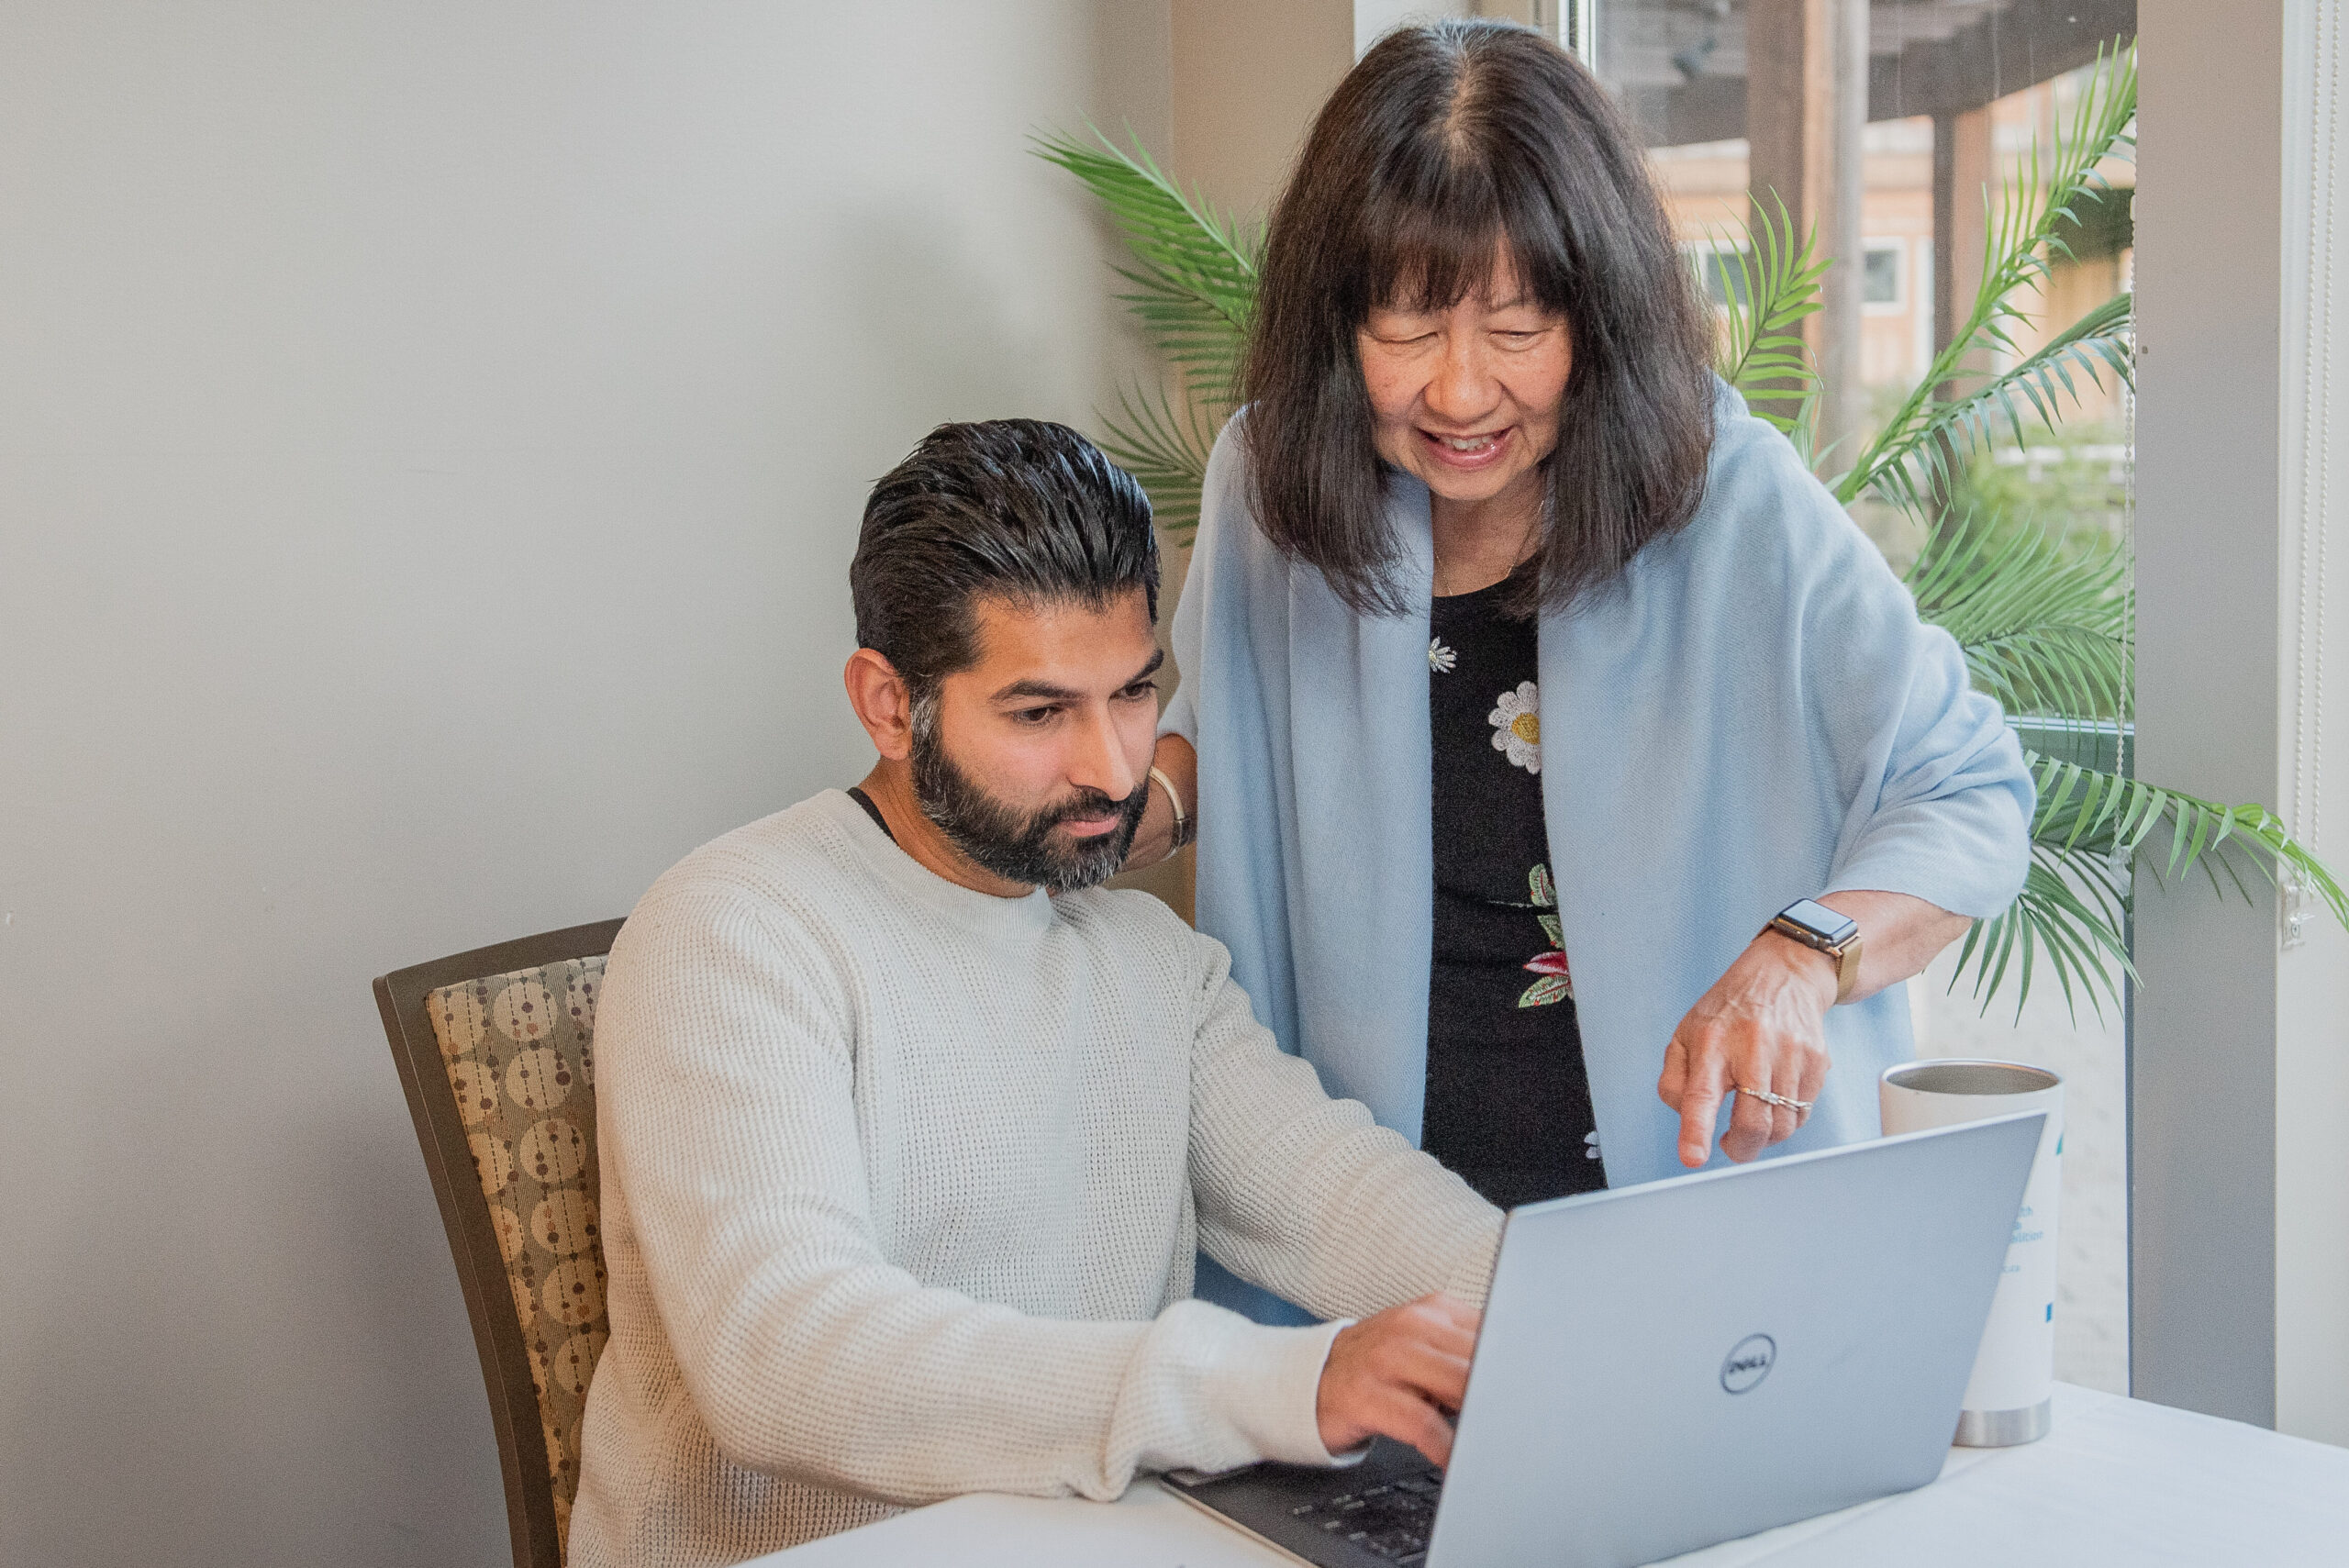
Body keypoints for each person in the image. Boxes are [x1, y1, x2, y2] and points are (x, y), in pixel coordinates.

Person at [1124, 20, 2034, 1260]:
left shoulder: (1736, 502)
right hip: (1373, 1250)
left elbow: (1969, 791)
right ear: (1334, 324)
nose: (1458, 391)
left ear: (1595, 315)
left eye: (1515, 328)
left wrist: (1801, 957)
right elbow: (1225, 726)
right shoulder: (1267, 483)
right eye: (1406, 327)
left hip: (1693, 1231)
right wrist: (1126, 805)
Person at [567, 419, 1502, 1567]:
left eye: (1130, 694)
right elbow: (783, 1353)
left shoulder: (1141, 955)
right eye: (1039, 711)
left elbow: (1342, 1196)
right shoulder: (734, 931)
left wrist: (1571, 1309)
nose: (1114, 768)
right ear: (884, 701)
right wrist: (1274, 1381)